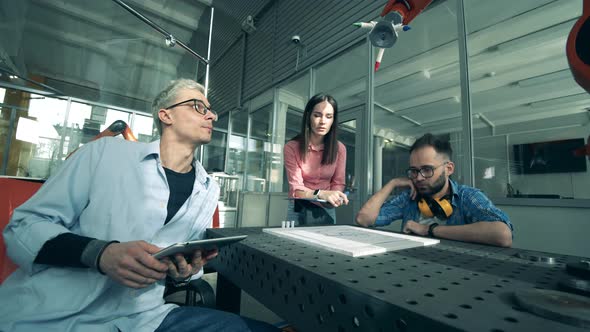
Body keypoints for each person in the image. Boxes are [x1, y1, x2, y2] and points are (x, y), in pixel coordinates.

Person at [0, 79, 280, 332]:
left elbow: (183, 262)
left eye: (210, 109)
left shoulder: (207, 189)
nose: (211, 115)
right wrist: (100, 254)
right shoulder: (104, 153)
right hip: (54, 315)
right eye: (198, 106)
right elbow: (23, 227)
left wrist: (183, 271)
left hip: (145, 319)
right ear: (165, 114)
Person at [356, 133, 513, 247]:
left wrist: (428, 229)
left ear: (449, 168)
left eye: (427, 170)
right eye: (414, 171)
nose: (418, 178)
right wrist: (393, 183)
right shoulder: (409, 198)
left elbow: (502, 234)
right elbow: (363, 219)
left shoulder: (468, 197)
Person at [284, 93, 349, 225]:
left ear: (333, 120)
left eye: (328, 116)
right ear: (308, 116)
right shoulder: (291, 147)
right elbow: (296, 189)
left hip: (326, 207)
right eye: (317, 115)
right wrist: (321, 194)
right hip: (299, 207)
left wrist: (335, 197)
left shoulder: (340, 148)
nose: (323, 121)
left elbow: (338, 182)